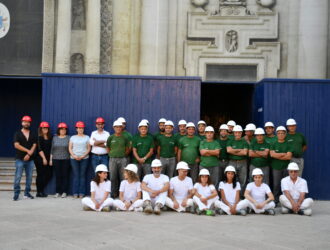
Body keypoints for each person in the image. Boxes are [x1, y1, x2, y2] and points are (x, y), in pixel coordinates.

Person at [13, 116, 37, 201]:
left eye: (28, 122)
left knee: (29, 177)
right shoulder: (17, 133)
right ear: (22, 122)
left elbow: (34, 144)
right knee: (18, 176)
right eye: (25, 121)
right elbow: (16, 145)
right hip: (19, 159)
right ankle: (16, 194)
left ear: (30, 123)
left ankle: (27, 193)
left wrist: (29, 154)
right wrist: (28, 151)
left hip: (30, 160)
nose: (26, 123)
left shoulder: (32, 134)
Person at [106, 120, 130, 198]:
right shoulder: (110, 137)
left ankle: (122, 195)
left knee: (123, 177)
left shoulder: (125, 138)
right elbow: (108, 148)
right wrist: (111, 154)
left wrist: (123, 155)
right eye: (116, 127)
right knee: (113, 177)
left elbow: (127, 149)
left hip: (123, 159)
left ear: (122, 128)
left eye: (120, 127)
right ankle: (113, 194)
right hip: (112, 159)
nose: (118, 128)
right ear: (113, 128)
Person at [270, 126, 293, 203]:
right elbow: (272, 155)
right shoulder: (273, 143)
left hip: (286, 167)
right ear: (276, 134)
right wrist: (283, 154)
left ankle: (286, 201)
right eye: (279, 133)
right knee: (276, 185)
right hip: (276, 167)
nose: (281, 135)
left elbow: (289, 157)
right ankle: (275, 200)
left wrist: (277, 155)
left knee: (286, 185)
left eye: (282, 133)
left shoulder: (288, 144)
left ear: (285, 134)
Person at [69, 121, 91, 198]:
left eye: (82, 128)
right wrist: (74, 155)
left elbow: (89, 148)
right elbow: (70, 148)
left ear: (83, 129)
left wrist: (83, 156)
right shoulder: (72, 137)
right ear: (76, 129)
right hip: (73, 158)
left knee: (82, 176)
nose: (80, 129)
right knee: (76, 175)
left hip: (84, 158)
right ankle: (75, 193)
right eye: (79, 128)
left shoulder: (87, 137)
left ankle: (81, 192)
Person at [226, 125, 248, 195]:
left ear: (241, 133)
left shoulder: (244, 142)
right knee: (230, 179)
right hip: (232, 162)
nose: (237, 134)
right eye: (236, 132)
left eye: (239, 132)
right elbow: (229, 150)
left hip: (243, 162)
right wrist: (240, 150)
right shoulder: (230, 141)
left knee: (242, 180)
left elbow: (245, 152)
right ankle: (231, 195)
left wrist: (234, 151)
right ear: (234, 133)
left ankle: (241, 196)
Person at [50, 122, 70, 198]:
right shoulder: (54, 138)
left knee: (65, 176)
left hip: (66, 159)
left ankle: (64, 192)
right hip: (56, 159)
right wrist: (50, 160)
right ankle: (58, 192)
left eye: (64, 129)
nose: (63, 131)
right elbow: (52, 150)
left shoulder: (68, 138)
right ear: (59, 130)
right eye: (61, 129)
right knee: (58, 176)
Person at [35, 122, 53, 198]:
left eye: (46, 128)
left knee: (49, 174)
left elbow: (52, 148)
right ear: (41, 129)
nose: (45, 129)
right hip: (40, 158)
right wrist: (44, 159)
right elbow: (39, 149)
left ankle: (41, 190)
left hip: (49, 158)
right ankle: (39, 192)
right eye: (43, 128)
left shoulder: (50, 137)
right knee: (40, 175)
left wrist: (49, 159)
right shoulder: (39, 137)